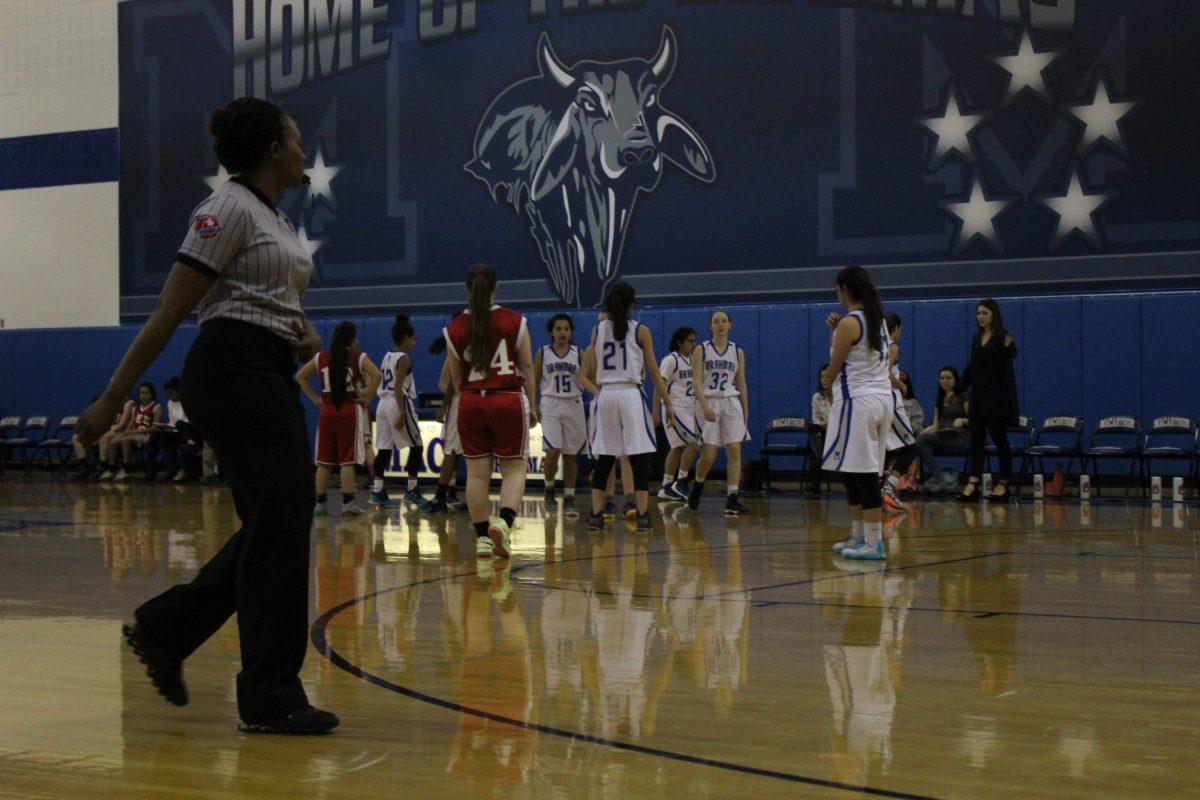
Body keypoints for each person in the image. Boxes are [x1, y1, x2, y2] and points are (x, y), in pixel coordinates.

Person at [75, 96, 338, 734]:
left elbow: (257, 294)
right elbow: (171, 310)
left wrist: (296, 331)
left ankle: (167, 631)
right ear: (274, 150)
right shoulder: (225, 209)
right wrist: (114, 396)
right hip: (231, 372)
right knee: (281, 520)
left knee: (275, 523)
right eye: (297, 140)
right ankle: (267, 694)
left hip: (263, 369)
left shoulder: (269, 215)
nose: (305, 150)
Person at [443, 263, 538, 559]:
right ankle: (505, 523)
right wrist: (532, 405)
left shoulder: (455, 327)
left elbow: (456, 378)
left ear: (467, 289)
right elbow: (527, 367)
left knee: (476, 475)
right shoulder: (514, 321)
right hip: (507, 397)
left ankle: (483, 538)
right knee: (514, 468)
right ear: (496, 287)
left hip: (471, 401)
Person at [582, 282, 673, 532]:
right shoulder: (641, 331)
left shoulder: (597, 329)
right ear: (632, 304)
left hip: (606, 394)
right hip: (630, 394)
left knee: (605, 459)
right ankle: (643, 515)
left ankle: (596, 515)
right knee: (638, 458)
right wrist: (668, 402)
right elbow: (654, 372)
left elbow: (590, 365)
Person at [821, 266, 894, 560]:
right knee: (851, 470)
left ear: (843, 289)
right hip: (880, 400)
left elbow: (834, 367)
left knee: (861, 473)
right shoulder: (878, 321)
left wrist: (827, 379)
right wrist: (834, 332)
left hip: (858, 402)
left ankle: (874, 541)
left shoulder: (851, 323)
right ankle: (858, 534)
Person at [296, 321, 382, 517]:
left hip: (327, 410)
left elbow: (300, 376)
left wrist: (316, 399)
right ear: (351, 338)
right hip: (348, 409)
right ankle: (348, 502)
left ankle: (320, 503)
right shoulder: (357, 356)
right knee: (346, 460)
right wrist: (367, 396)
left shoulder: (322, 357)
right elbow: (377, 374)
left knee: (324, 461)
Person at [688, 310, 750, 515]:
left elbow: (741, 382)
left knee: (735, 451)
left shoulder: (737, 351)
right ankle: (697, 484)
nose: (721, 324)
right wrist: (704, 405)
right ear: (711, 326)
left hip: (731, 402)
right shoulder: (701, 350)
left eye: (724, 321)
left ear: (730, 325)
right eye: (716, 321)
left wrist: (745, 408)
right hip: (709, 401)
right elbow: (696, 381)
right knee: (709, 457)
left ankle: (732, 498)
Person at [959, 299, 1020, 502]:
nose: (981, 317)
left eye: (984, 313)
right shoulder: (977, 338)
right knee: (976, 441)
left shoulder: (1002, 335)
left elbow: (1011, 353)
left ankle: (1003, 482)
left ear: (993, 314)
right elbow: (972, 366)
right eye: (978, 313)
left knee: (999, 439)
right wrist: (958, 389)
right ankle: (974, 482)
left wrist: (1008, 347)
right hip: (979, 397)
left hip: (997, 398)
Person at [535, 314, 595, 516]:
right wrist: (532, 406)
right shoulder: (543, 353)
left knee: (571, 455)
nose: (562, 332)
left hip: (573, 404)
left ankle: (569, 498)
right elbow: (534, 381)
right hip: (550, 404)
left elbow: (589, 377)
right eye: (558, 328)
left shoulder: (579, 353)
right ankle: (549, 490)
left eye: (566, 329)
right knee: (553, 451)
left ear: (571, 332)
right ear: (551, 332)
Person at [372, 313, 428, 510]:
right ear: (405, 339)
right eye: (413, 338)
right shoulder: (404, 358)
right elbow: (398, 387)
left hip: (382, 404)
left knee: (384, 449)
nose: (415, 341)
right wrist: (402, 414)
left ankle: (377, 490)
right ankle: (412, 490)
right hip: (398, 401)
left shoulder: (387, 355)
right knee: (417, 446)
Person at [654, 326, 700, 502]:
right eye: (690, 341)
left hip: (689, 408)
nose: (694, 344)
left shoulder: (693, 360)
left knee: (678, 448)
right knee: (694, 442)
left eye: (695, 340)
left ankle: (666, 486)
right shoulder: (671, 360)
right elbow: (660, 385)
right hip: (674, 408)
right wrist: (656, 410)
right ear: (680, 342)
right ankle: (680, 482)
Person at [881, 313, 917, 513]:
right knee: (910, 448)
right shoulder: (893, 346)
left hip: (875, 401)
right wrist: (902, 385)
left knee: (883, 449)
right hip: (890, 400)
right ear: (897, 329)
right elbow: (886, 374)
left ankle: (878, 489)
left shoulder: (876, 347)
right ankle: (888, 487)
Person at [914, 366, 970, 494]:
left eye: (948, 378)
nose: (945, 381)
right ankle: (940, 480)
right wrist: (925, 430)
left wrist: (963, 420)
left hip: (959, 435)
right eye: (942, 378)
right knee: (923, 446)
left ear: (955, 379)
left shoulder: (963, 396)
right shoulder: (940, 399)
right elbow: (936, 425)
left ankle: (939, 480)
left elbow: (974, 419)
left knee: (922, 441)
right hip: (943, 435)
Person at [146, 377, 203, 481]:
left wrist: (177, 424)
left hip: (193, 432)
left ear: (180, 391)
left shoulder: (189, 401)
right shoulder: (170, 403)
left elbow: (190, 421)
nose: (171, 397)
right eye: (168, 395)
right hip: (179, 432)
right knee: (157, 435)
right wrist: (165, 425)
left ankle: (189, 446)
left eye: (173, 394)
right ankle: (155, 469)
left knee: (180, 424)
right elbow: (173, 422)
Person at [808, 363, 833, 495]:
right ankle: (815, 485)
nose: (824, 379)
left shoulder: (841, 397)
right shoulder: (817, 397)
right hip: (824, 433)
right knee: (814, 433)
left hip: (841, 433)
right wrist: (831, 424)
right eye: (822, 377)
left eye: (827, 377)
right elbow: (817, 421)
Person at [95, 397, 135, 481]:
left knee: (105, 437)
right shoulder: (114, 401)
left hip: (122, 431)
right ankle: (110, 467)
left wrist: (111, 431)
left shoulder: (129, 403)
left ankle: (104, 465)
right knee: (106, 440)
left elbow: (122, 424)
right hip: (115, 431)